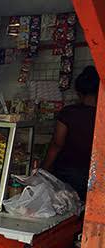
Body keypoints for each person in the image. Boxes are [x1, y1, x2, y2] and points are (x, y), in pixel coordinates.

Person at [42, 66, 99, 200]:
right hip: (95, 175)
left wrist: (43, 170)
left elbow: (57, 144)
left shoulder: (69, 113)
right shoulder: (101, 115)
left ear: (78, 92)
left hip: (68, 174)